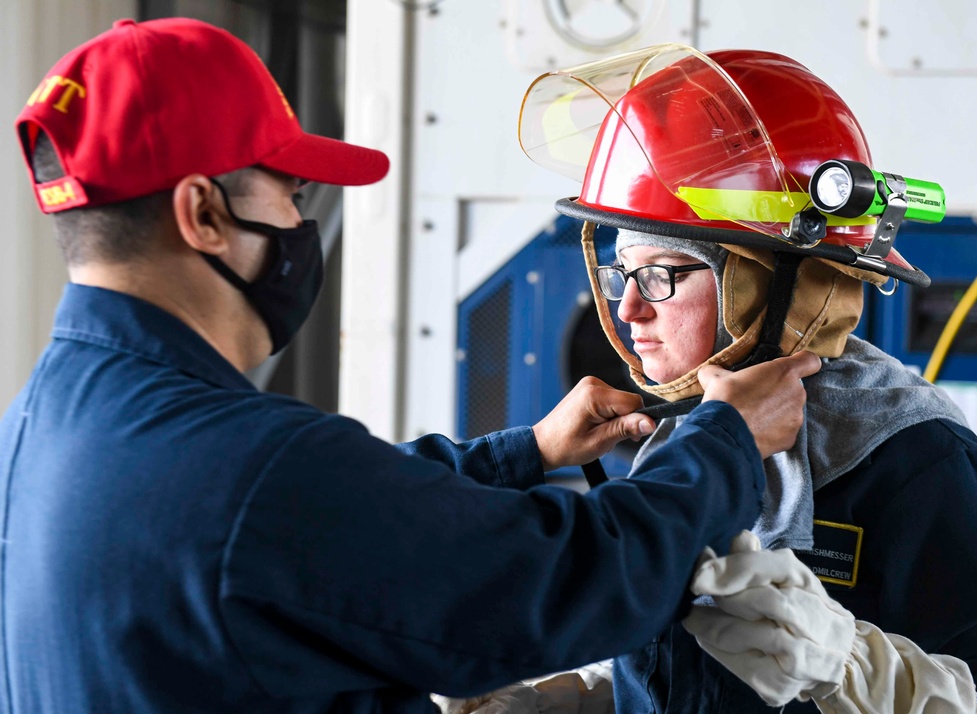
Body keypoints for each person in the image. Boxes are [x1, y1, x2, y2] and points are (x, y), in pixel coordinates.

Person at [0, 19, 821, 713]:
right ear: (204, 213)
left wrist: (523, 455)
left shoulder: (38, 434)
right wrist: (726, 440)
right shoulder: (249, 470)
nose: (301, 222)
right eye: (288, 193)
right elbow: (573, 582)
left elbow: (334, 517)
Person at [441, 44, 977, 712]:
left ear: (774, 275)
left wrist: (849, 666)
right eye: (623, 273)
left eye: (661, 273)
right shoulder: (683, 438)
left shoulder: (911, 455)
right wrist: (578, 703)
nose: (627, 309)